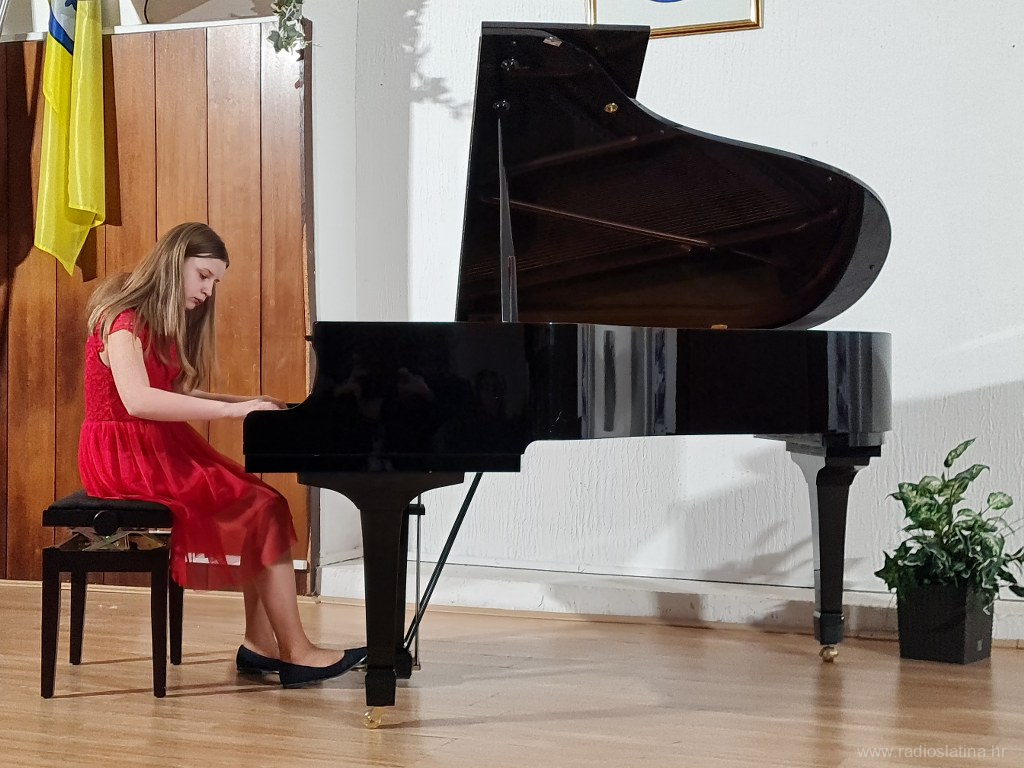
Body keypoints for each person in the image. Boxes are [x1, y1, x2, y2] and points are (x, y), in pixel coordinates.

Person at [78, 221, 364, 689]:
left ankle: (260, 645)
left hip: (156, 447)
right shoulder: (122, 320)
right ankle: (296, 652)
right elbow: (139, 401)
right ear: (175, 263)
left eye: (215, 281)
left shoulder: (157, 323)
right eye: (204, 275)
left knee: (265, 504)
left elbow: (178, 392)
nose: (209, 290)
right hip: (124, 456)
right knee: (263, 506)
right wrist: (233, 413)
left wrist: (246, 401)